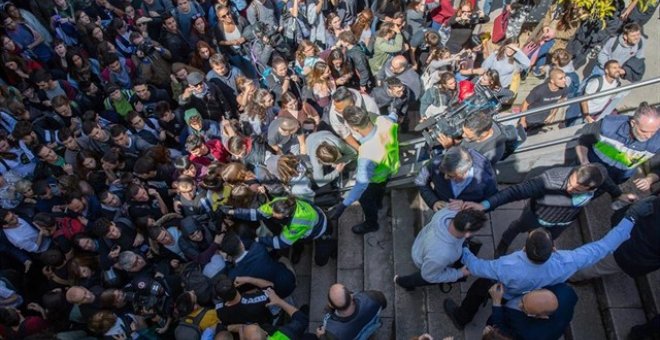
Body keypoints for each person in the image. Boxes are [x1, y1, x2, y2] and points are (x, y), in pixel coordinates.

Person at [442, 197, 654, 330]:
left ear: (525, 247)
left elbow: (477, 266)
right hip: (532, 293)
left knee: (479, 288)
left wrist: (464, 246)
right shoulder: (569, 260)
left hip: (508, 290)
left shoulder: (506, 266)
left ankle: (462, 317)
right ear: (553, 248)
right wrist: (631, 219)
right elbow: (605, 246)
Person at [460, 163, 630, 257]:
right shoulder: (550, 180)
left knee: (545, 242)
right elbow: (515, 191)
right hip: (535, 216)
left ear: (590, 189)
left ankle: (528, 254)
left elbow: (606, 180)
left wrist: (618, 194)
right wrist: (485, 205)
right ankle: (503, 245)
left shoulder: (599, 174)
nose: (569, 189)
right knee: (517, 227)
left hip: (562, 223)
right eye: (570, 182)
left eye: (577, 190)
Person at [328, 106, 400, 234]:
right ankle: (378, 204)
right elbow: (394, 116)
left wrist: (343, 206)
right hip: (390, 167)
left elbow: (361, 186)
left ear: (355, 128)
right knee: (380, 190)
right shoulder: (384, 121)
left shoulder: (366, 154)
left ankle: (372, 224)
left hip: (375, 178)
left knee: (366, 199)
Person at [394, 208, 487, 290]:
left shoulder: (450, 212)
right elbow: (428, 276)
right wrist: (459, 273)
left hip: (423, 244)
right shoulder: (441, 255)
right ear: (467, 234)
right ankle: (403, 282)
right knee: (425, 276)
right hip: (426, 260)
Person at [572, 195, 660, 281]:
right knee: (596, 267)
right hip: (632, 254)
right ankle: (570, 276)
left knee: (597, 259)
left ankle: (571, 272)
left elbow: (644, 206)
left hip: (627, 237)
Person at [576, 101, 660, 184]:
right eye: (644, 131)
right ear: (633, 123)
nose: (649, 136)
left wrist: (650, 179)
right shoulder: (608, 125)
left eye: (653, 132)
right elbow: (582, 138)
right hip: (590, 172)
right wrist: (584, 162)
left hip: (615, 180)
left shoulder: (657, 141)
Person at [415, 146, 497, 212]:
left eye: (451, 176)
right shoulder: (434, 163)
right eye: (443, 172)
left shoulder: (487, 180)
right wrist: (433, 202)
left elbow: (492, 202)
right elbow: (420, 180)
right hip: (441, 211)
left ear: (465, 172)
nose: (445, 177)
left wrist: (468, 208)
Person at [485, 282, 578, 340]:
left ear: (542, 316)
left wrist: (496, 302)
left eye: (524, 308)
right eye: (523, 299)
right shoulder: (566, 292)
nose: (519, 305)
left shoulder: (525, 333)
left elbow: (502, 330)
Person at [321, 283, 387, 339]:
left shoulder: (332, 332)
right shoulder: (372, 297)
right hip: (371, 323)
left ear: (331, 305)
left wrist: (322, 336)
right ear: (351, 295)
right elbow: (383, 303)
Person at [519, 68, 569, 134]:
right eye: (561, 78)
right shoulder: (539, 90)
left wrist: (553, 115)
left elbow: (559, 101)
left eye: (564, 77)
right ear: (552, 81)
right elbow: (525, 104)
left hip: (545, 119)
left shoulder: (564, 88)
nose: (564, 80)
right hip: (531, 119)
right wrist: (522, 121)